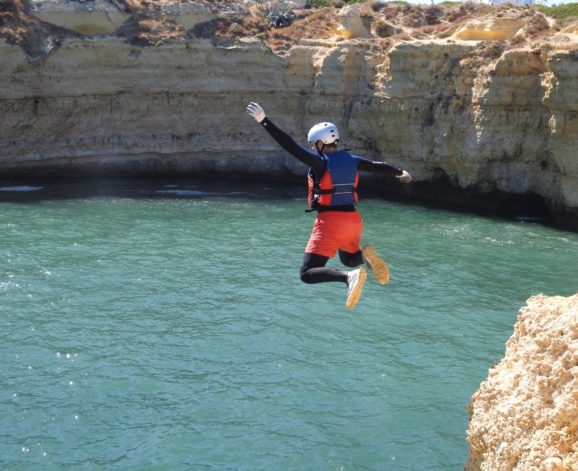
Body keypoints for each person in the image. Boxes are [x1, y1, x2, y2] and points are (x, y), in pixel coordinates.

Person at [246, 102, 412, 309]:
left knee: (307, 274)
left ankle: (348, 278)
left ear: (321, 143)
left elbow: (289, 146)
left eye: (314, 144)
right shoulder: (353, 160)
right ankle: (363, 257)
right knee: (349, 258)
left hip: (330, 222)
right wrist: (400, 172)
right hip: (353, 220)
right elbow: (378, 167)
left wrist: (264, 122)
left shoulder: (320, 162)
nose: (312, 148)